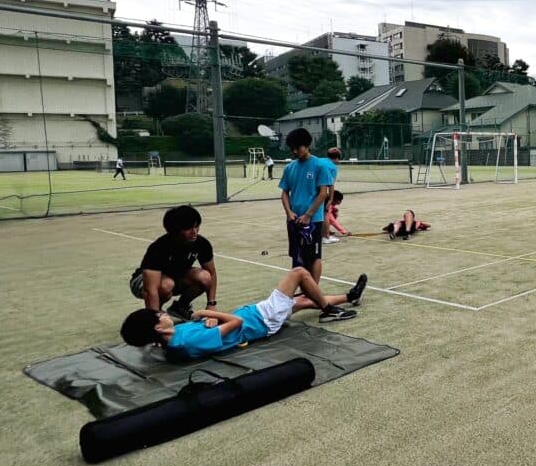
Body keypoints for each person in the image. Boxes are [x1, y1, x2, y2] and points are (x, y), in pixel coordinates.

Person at [120, 268, 366, 358]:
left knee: (300, 301)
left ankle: (349, 297)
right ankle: (330, 310)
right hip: (260, 321)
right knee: (299, 273)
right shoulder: (188, 341)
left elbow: (214, 325)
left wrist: (211, 318)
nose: (162, 313)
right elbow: (235, 322)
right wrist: (207, 312)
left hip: (257, 317)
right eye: (158, 316)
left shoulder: (172, 337)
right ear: (158, 328)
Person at [128, 205, 218, 320]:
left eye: (196, 226)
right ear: (175, 230)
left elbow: (212, 273)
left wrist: (211, 304)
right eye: (188, 228)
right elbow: (151, 289)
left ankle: (180, 308)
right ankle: (157, 313)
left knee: (205, 277)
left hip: (176, 277)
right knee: (166, 285)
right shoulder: (159, 248)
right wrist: (155, 321)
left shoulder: (201, 243)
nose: (194, 232)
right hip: (144, 281)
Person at [279, 128, 338, 282]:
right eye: (292, 148)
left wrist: (308, 215)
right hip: (294, 220)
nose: (294, 151)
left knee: (314, 256)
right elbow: (284, 193)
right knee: (296, 255)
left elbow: (323, 193)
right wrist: (289, 213)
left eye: (297, 148)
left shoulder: (319, 166)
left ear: (306, 146)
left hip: (313, 220)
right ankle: (302, 287)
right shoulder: (289, 168)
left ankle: (314, 290)